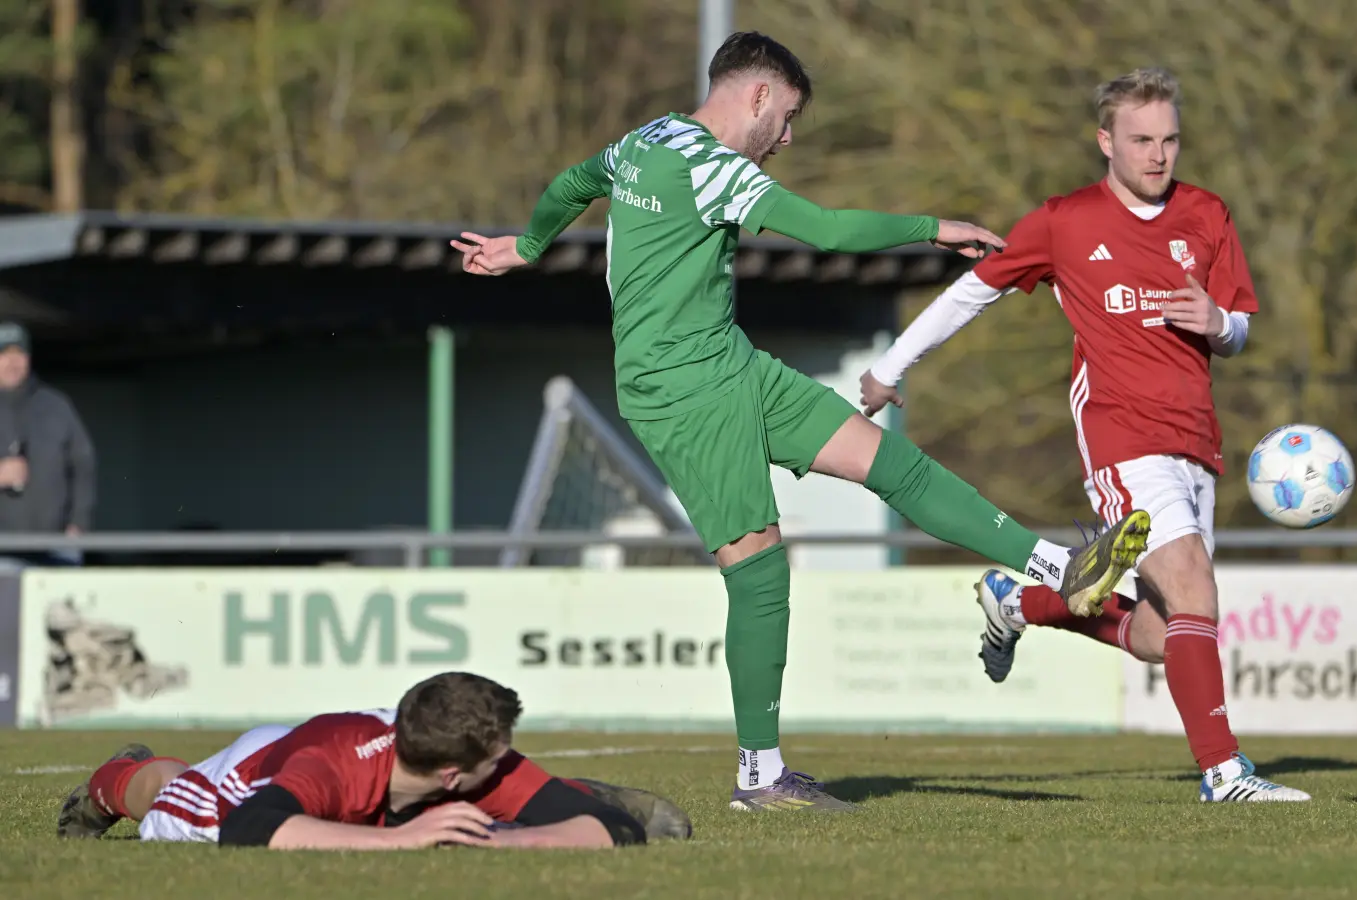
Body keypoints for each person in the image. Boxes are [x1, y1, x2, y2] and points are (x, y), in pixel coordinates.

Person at [450, 32, 1150, 813]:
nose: (785, 139)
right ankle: (759, 775)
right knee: (759, 572)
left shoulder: (646, 139)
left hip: (732, 364)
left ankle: (1060, 569)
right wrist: (932, 227)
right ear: (756, 96)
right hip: (680, 391)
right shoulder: (713, 165)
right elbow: (825, 230)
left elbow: (575, 179)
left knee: (892, 464)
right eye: (784, 120)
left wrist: (533, 243)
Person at [861, 67, 1310, 803]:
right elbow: (974, 292)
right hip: (1122, 437)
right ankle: (1225, 775)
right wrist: (886, 370)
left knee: (1169, 634)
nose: (1158, 155)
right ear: (1105, 141)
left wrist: (1220, 325)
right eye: (1140, 140)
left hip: (1197, 440)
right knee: (1194, 584)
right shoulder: (1065, 221)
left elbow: (1240, 330)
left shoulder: (1208, 214)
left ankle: (1022, 600)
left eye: (1169, 140)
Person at [56, 671, 692, 847]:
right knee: (165, 799)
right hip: (252, 781)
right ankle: (112, 781)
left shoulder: (461, 752)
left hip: (360, 771)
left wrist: (510, 845)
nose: (508, 762)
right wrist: (404, 841)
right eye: (497, 762)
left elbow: (618, 832)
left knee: (520, 811)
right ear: (452, 776)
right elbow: (249, 831)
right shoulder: (338, 769)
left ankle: (569, 792)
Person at [0, 321, 96, 567]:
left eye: (19, 354)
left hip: (57, 547)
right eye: (4, 355)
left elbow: (83, 465)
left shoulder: (56, 406)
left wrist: (79, 524)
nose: (12, 363)